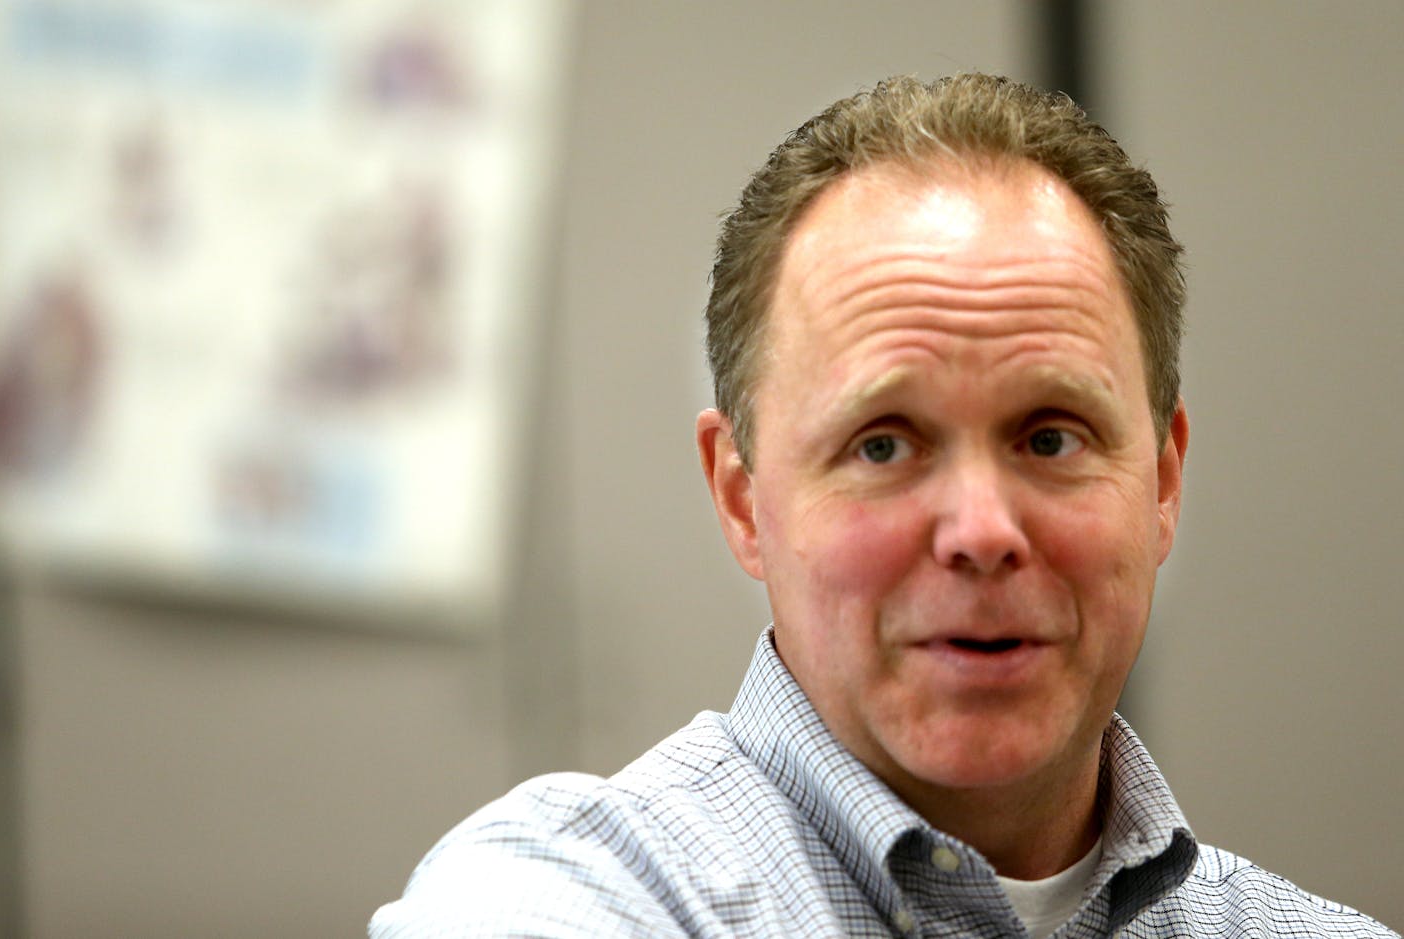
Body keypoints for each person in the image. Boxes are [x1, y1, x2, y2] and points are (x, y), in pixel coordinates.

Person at [369, 74, 1398, 938]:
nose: (982, 532)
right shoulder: (559, 900)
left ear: (1162, 483)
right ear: (740, 498)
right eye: (882, 444)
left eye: (1048, 437)